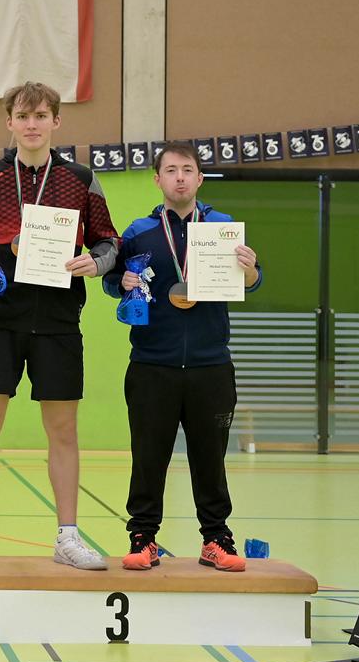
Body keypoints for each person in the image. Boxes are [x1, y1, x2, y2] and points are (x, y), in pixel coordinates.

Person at [0, 82, 119, 571]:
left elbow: (108, 242)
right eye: (23, 116)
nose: (32, 124)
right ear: (9, 122)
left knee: (63, 431)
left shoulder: (82, 179)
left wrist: (96, 264)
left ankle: (67, 537)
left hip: (60, 321)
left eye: (41, 115)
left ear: (56, 121)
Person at [101, 141, 262, 572]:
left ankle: (216, 539)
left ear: (200, 178)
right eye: (171, 170)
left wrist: (250, 269)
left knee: (210, 459)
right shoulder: (139, 232)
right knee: (148, 458)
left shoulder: (223, 228)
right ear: (157, 179)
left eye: (187, 170)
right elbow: (111, 281)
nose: (179, 178)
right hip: (152, 365)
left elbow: (252, 281)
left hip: (211, 367)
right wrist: (123, 281)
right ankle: (143, 538)